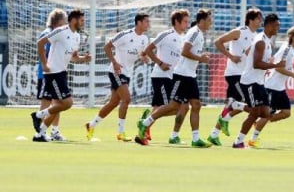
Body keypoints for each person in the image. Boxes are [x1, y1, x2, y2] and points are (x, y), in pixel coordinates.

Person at [137, 9, 213, 148]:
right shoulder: (194, 32)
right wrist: (200, 58)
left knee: (195, 105)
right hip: (180, 75)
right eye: (209, 20)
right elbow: (185, 52)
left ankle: (194, 138)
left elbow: (189, 52)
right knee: (173, 106)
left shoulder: (197, 34)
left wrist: (200, 57)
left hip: (189, 75)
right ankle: (146, 123)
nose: (211, 23)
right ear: (202, 21)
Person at [85, 12, 149, 142]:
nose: (149, 24)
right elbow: (107, 46)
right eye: (146, 21)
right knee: (127, 99)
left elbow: (140, 54)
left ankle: (91, 125)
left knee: (114, 102)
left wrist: (143, 57)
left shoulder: (144, 39)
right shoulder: (124, 35)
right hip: (116, 71)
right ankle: (120, 132)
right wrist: (114, 62)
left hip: (127, 73)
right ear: (139, 22)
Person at [31, 9, 91, 142]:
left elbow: (73, 58)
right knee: (67, 103)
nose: (83, 23)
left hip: (62, 73)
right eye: (81, 20)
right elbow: (40, 43)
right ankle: (38, 114)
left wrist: (83, 58)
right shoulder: (61, 31)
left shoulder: (77, 36)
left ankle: (39, 134)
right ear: (74, 20)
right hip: (53, 73)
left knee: (56, 106)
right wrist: (45, 64)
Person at [207, 8, 263, 146]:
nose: (260, 21)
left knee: (233, 107)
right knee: (247, 105)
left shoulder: (255, 36)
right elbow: (218, 42)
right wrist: (231, 56)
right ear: (251, 19)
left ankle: (214, 134)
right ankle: (228, 118)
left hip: (244, 75)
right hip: (234, 74)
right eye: (258, 18)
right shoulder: (240, 31)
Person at [134, 9, 190, 146]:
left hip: (174, 77)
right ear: (176, 22)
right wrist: (160, 63)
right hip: (161, 76)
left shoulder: (184, 38)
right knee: (173, 106)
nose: (187, 24)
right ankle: (147, 126)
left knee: (178, 107)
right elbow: (147, 50)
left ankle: (147, 123)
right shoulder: (166, 35)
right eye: (185, 22)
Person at [232, 13, 284, 148]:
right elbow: (256, 64)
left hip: (259, 82)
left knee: (266, 113)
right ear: (269, 25)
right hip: (250, 81)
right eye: (276, 26)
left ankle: (237, 105)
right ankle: (238, 141)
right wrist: (275, 65)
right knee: (255, 113)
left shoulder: (268, 42)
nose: (278, 28)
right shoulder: (260, 41)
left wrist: (269, 66)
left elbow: (262, 63)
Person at [248, 26, 294, 147]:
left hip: (279, 87)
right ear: (292, 37)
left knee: (286, 112)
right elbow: (278, 68)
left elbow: (274, 61)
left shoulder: (290, 49)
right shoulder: (287, 49)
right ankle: (253, 139)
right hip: (272, 86)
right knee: (267, 113)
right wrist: (293, 74)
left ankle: (259, 122)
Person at [36, 8, 68, 141]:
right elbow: (42, 49)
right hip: (46, 74)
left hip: (56, 73)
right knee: (46, 102)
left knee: (58, 102)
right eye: (65, 21)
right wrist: (45, 66)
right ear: (59, 21)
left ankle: (55, 131)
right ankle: (40, 131)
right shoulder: (48, 33)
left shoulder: (57, 33)